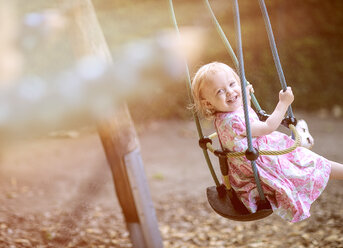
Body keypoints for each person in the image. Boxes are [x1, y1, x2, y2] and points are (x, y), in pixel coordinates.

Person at [191, 61, 343, 222]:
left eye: (232, 84)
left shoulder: (221, 116)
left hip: (249, 166)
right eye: (220, 91)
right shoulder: (234, 122)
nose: (230, 92)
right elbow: (268, 126)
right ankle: (302, 141)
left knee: (304, 159)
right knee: (314, 165)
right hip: (263, 165)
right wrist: (284, 103)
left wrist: (246, 96)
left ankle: (299, 141)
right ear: (208, 103)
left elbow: (244, 113)